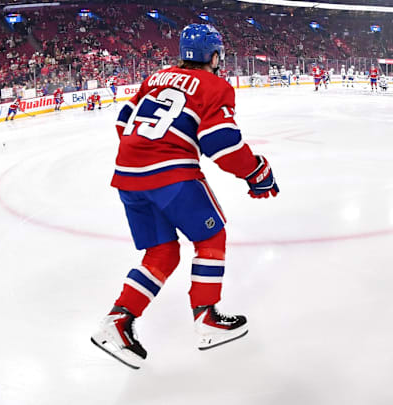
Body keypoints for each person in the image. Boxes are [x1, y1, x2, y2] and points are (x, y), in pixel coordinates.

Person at [91, 23, 280, 370]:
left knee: (161, 253)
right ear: (215, 56)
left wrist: (143, 152)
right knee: (212, 236)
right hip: (171, 175)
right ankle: (207, 319)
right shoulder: (215, 85)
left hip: (127, 175)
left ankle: (116, 321)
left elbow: (122, 119)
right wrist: (257, 173)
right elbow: (221, 142)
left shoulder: (156, 77)